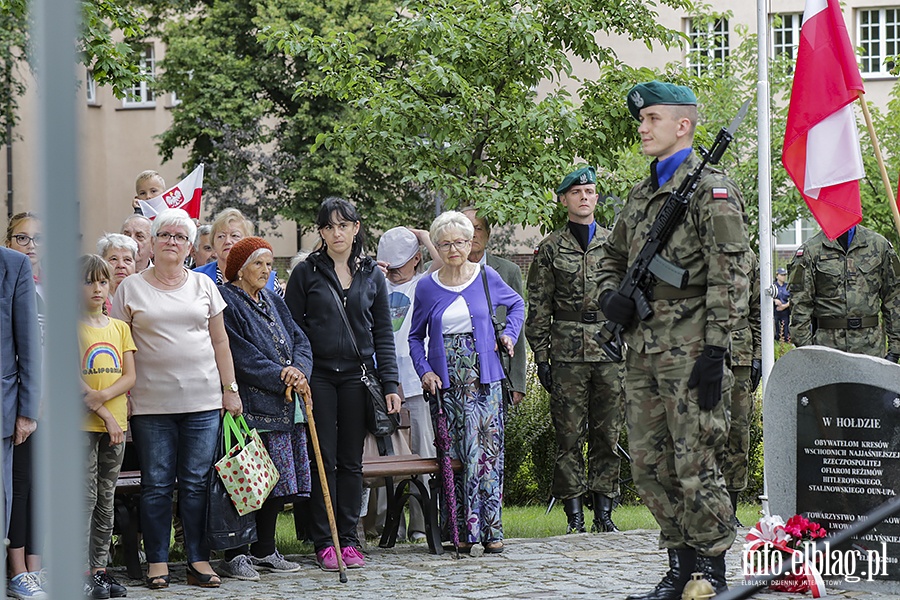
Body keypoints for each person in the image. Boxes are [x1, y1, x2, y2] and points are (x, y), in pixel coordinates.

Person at [597, 80, 749, 597]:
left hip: (691, 350)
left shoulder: (712, 189)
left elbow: (732, 273)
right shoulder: (641, 195)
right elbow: (613, 258)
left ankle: (710, 569)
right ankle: (679, 563)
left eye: (652, 119)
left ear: (682, 125)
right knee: (647, 463)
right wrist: (608, 300)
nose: (642, 128)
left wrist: (715, 349)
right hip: (643, 349)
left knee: (695, 461)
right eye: (641, 120)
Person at [112, 208, 242, 589]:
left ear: (189, 246)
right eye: (165, 235)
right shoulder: (130, 288)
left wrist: (230, 389)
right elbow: (120, 346)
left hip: (203, 403)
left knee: (197, 483)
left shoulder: (204, 286)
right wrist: (125, 395)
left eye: (180, 237)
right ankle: (157, 562)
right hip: (150, 406)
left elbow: (221, 341)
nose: (172, 241)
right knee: (156, 484)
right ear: (151, 243)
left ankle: (198, 560)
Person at [284, 197, 401, 571]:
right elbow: (293, 330)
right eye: (329, 227)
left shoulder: (372, 274)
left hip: (358, 376)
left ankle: (348, 539)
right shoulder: (307, 273)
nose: (337, 233)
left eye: (344, 225)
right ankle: (325, 541)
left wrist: (391, 384)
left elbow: (383, 332)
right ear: (321, 232)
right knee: (325, 460)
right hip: (317, 377)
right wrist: (300, 372)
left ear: (356, 228)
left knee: (351, 463)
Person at [409, 210, 524, 554]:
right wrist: (425, 371)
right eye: (445, 244)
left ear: (470, 242)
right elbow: (415, 337)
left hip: (485, 382)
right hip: (447, 388)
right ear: (438, 248)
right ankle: (460, 531)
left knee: (487, 456)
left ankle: (491, 530)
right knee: (456, 458)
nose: (453, 249)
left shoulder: (486, 276)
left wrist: (509, 335)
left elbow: (517, 305)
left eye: (460, 241)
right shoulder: (428, 286)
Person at [525, 166, 625, 535]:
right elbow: (538, 305)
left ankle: (604, 512)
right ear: (565, 199)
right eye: (577, 192)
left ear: (597, 197)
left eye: (590, 191)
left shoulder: (615, 245)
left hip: (609, 350)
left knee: (608, 434)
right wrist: (541, 356)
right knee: (568, 437)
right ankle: (575, 517)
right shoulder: (550, 248)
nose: (584, 197)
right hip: (566, 352)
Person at [216, 237, 314, 580]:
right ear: (240, 268)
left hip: (284, 404)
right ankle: (236, 553)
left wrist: (298, 369)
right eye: (258, 264)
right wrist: (280, 375)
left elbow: (300, 339)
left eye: (270, 265)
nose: (266, 271)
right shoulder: (227, 299)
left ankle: (264, 549)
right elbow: (238, 353)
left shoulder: (274, 299)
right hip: (252, 406)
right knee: (247, 479)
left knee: (274, 480)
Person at [374, 226, 442, 542]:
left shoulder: (424, 285)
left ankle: (421, 523)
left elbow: (446, 263)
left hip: (416, 384)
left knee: (423, 453)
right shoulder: (376, 285)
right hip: (381, 385)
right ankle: (390, 525)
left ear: (416, 259)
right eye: (389, 266)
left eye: (400, 265)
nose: (394, 272)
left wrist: (426, 237)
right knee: (386, 456)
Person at [78, 255, 136, 599]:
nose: (97, 289)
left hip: (115, 429)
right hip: (86, 427)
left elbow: (129, 375)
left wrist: (105, 399)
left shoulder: (119, 328)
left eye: (102, 281)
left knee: (106, 499)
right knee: (84, 498)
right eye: (89, 282)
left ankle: (99, 569)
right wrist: (107, 415)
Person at [4, 213, 45, 600]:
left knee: (40, 488)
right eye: (22, 238)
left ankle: (36, 567)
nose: (31, 245)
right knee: (18, 487)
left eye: (38, 239)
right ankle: (17, 571)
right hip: (20, 402)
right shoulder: (11, 279)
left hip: (49, 403)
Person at [788, 224, 900, 359]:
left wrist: (895, 349)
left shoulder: (879, 245)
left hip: (870, 348)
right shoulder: (811, 249)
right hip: (827, 348)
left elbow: (894, 298)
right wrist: (807, 352)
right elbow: (800, 305)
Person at [460, 207, 527, 406]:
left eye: (478, 228)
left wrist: (517, 382)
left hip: (497, 371)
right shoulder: (439, 272)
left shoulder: (508, 271)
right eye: (466, 229)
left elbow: (518, 328)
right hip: (456, 371)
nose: (472, 234)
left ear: (488, 235)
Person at [720, 251, 762, 528]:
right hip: (702, 354)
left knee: (738, 433)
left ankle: (730, 509)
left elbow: (758, 310)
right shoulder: (692, 248)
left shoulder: (749, 258)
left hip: (740, 356)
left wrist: (758, 353)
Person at [194, 208, 282, 295]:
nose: (227, 241)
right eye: (221, 236)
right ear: (213, 242)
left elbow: (280, 308)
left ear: (247, 241)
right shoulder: (196, 277)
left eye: (235, 235)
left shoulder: (269, 278)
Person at [96, 233, 138, 307]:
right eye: (114, 259)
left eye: (127, 260)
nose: (121, 265)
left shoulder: (143, 297)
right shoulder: (93, 299)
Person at [773, 267, 791, 342]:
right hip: (775, 311)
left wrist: (785, 306)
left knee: (785, 330)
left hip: (785, 311)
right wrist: (774, 300)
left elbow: (792, 298)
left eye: (784, 275)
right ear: (777, 275)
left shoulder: (787, 286)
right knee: (776, 329)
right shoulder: (773, 286)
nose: (783, 277)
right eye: (782, 275)